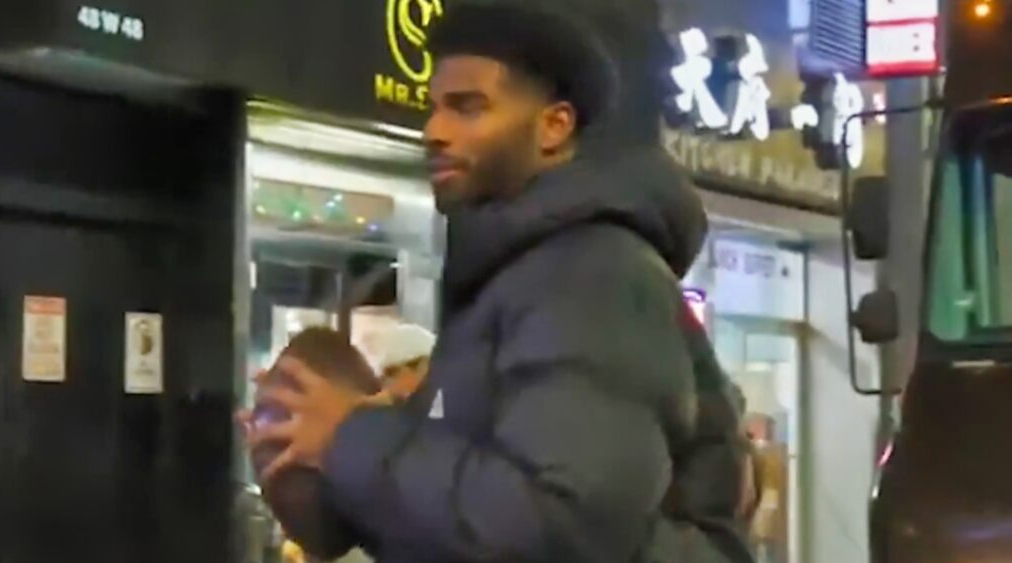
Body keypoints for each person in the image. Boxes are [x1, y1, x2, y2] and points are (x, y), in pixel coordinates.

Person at [242, 3, 748, 561]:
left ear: (554, 126)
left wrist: (351, 437)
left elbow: (560, 523)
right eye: (434, 109)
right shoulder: (514, 276)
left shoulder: (588, 273)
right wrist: (300, 447)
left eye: (468, 107)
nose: (434, 132)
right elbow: (464, 518)